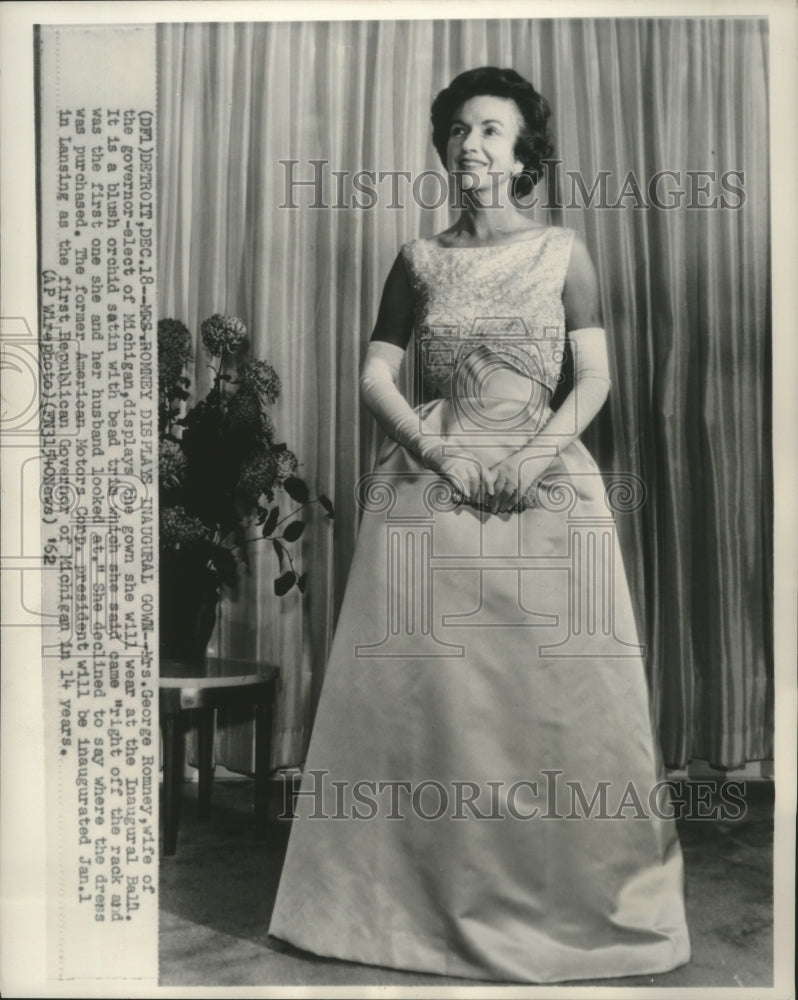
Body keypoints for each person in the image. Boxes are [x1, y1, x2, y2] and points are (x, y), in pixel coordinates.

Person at [269, 67, 691, 984]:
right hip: (434, 484)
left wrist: (536, 456)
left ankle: (555, 901)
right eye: (459, 129)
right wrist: (436, 451)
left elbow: (595, 378)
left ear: (523, 152)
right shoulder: (418, 259)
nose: (471, 144)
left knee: (544, 705)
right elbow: (375, 374)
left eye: (492, 130)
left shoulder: (563, 252)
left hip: (544, 481)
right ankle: (409, 907)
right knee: (435, 701)